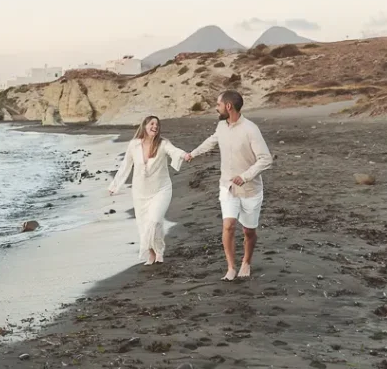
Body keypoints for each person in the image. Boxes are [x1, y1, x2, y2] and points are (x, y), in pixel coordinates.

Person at [185, 90, 272, 281]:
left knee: (248, 232)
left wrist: (246, 176)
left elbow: (266, 159)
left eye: (218, 104)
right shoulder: (221, 126)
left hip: (250, 189)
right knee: (228, 225)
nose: (216, 108)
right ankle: (231, 267)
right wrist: (193, 153)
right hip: (227, 187)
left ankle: (246, 262)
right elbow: (212, 141)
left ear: (228, 106)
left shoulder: (250, 129)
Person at [108, 115, 189, 265]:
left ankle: (156, 249)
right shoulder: (134, 145)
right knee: (144, 224)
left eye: (157, 125)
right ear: (145, 126)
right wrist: (115, 185)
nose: (155, 126)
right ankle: (154, 254)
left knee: (154, 220)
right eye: (152, 123)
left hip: (161, 189)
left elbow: (174, 151)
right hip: (140, 192)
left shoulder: (163, 144)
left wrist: (184, 155)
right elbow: (125, 165)